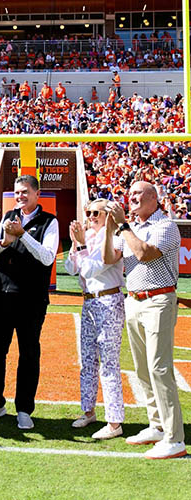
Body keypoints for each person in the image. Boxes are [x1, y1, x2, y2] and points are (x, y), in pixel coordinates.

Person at [103, 181, 187, 459]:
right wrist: (108, 227)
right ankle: (157, 425)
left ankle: (175, 438)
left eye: (138, 193)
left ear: (154, 198)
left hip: (159, 299)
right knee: (141, 368)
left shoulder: (166, 225)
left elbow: (144, 254)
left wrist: (123, 226)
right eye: (131, 194)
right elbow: (108, 258)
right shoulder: (131, 227)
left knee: (159, 368)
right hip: (135, 299)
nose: (132, 197)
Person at [0, 175, 59, 430]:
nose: (21, 196)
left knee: (28, 353)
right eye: (17, 192)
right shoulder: (8, 216)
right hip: (3, 294)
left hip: (32, 299)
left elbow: (47, 258)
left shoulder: (50, 222)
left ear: (37, 194)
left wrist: (22, 234)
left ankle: (24, 408)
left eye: (25, 192)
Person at [65, 199, 125, 439]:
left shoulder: (116, 238)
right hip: (89, 301)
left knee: (109, 362)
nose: (90, 217)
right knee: (88, 359)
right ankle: (88, 410)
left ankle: (114, 421)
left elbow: (90, 269)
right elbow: (71, 268)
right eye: (88, 212)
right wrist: (75, 242)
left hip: (109, 300)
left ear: (108, 215)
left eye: (95, 213)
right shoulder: (87, 236)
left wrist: (80, 244)